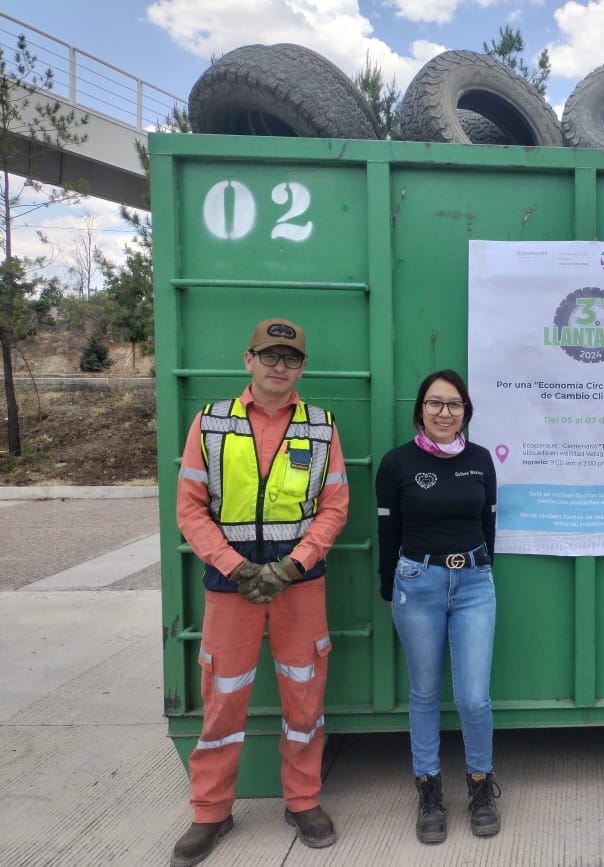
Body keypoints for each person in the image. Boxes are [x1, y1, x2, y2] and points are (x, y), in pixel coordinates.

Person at [171, 317, 349, 867]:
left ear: (302, 368)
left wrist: (293, 566)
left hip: (299, 585)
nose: (279, 365)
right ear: (248, 359)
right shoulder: (211, 422)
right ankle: (211, 811)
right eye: (269, 355)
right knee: (223, 697)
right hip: (231, 586)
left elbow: (335, 505)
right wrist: (237, 567)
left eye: (290, 358)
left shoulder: (320, 426)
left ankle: (303, 801)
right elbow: (189, 509)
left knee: (304, 695)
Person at [375, 368, 500, 845]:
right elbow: (390, 532)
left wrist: (480, 570)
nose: (445, 412)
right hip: (416, 584)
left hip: (473, 585)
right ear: (420, 410)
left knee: (473, 697)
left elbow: (488, 525)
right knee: (425, 693)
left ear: (466, 411)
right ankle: (428, 789)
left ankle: (481, 786)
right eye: (435, 403)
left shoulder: (482, 460)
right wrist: (391, 588)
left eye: (454, 404)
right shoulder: (397, 464)